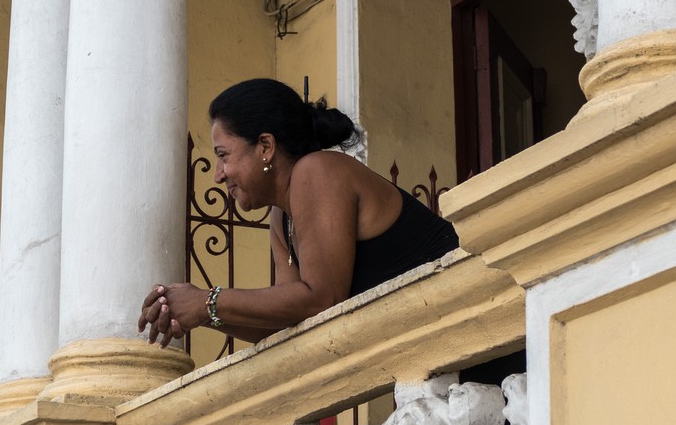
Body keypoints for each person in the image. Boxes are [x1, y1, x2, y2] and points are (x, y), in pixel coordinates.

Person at [138, 78, 459, 348]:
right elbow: (284, 323)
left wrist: (207, 300)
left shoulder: (318, 171)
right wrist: (203, 313)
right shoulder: (280, 218)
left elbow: (321, 297)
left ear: (265, 146)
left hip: (470, 325)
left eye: (224, 155)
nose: (218, 175)